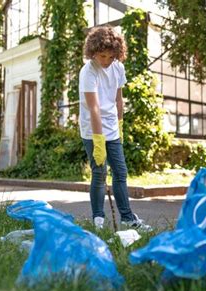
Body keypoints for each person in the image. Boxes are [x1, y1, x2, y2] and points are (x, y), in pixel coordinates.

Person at [79, 26, 151, 231]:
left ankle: (128, 218)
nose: (106, 61)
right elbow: (93, 108)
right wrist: (98, 140)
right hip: (92, 128)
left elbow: (118, 100)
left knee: (120, 172)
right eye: (102, 56)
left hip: (111, 127)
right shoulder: (88, 71)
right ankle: (98, 219)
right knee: (99, 173)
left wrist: (120, 124)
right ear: (93, 52)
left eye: (111, 56)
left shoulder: (118, 68)